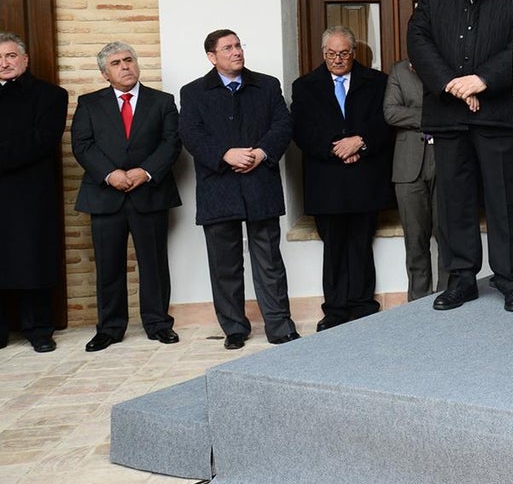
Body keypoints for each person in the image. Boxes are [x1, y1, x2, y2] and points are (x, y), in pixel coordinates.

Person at [407, 0, 513, 313]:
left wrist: (481, 79)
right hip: (449, 114)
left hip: (501, 114)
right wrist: (453, 83)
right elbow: (418, 40)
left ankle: (511, 279)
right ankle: (462, 278)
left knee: (505, 200)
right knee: (454, 201)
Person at [179, 30, 300, 349]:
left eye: (238, 45)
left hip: (260, 183)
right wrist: (224, 154)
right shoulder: (192, 92)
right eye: (228, 48)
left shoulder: (267, 84)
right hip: (217, 188)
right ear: (211, 56)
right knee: (224, 263)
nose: (236, 52)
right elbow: (191, 134)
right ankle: (234, 328)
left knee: (269, 260)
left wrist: (260, 153)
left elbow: (283, 125)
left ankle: (280, 325)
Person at [72, 41, 182, 352]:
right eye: (117, 63)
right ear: (105, 74)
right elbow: (83, 145)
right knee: (108, 266)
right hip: (105, 196)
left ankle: (159, 324)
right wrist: (111, 174)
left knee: (154, 263)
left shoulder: (162, 101)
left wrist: (144, 172)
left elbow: (171, 142)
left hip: (149, 193)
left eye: (129, 60)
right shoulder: (89, 104)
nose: (125, 67)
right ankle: (109, 328)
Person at [291, 25, 393, 330]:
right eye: (332, 53)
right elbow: (300, 130)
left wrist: (360, 141)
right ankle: (335, 309)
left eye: (344, 53)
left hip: (365, 178)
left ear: (354, 53)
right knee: (333, 246)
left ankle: (364, 305)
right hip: (327, 181)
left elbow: (387, 123)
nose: (338, 59)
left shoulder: (377, 82)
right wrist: (335, 149)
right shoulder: (305, 86)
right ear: (324, 53)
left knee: (362, 244)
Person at [0, 32, 67, 353]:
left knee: (33, 260)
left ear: (25, 60)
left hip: (30, 194)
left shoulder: (50, 95)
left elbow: (42, 141)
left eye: (11, 56)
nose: (4, 63)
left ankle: (39, 329)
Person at [384, 58, 448, 301]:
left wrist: (415, 116)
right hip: (408, 166)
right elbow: (390, 112)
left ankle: (448, 294)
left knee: (447, 235)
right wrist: (432, 116)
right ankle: (418, 302)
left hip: (445, 160)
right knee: (415, 238)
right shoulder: (399, 71)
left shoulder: (448, 65)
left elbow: (457, 108)